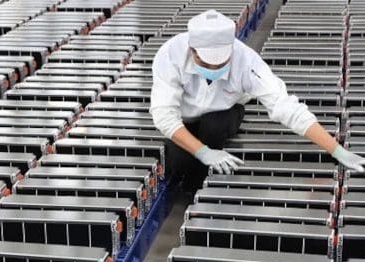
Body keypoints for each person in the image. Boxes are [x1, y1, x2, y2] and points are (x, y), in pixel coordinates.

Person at [150, 9, 365, 194]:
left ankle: (200, 188)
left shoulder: (248, 62)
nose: (213, 69)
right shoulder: (170, 55)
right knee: (178, 163)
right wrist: (202, 152)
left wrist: (336, 150)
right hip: (183, 117)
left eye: (220, 64)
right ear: (192, 49)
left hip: (224, 114)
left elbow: (286, 106)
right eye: (206, 63)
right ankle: (191, 173)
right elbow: (164, 115)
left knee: (212, 127)